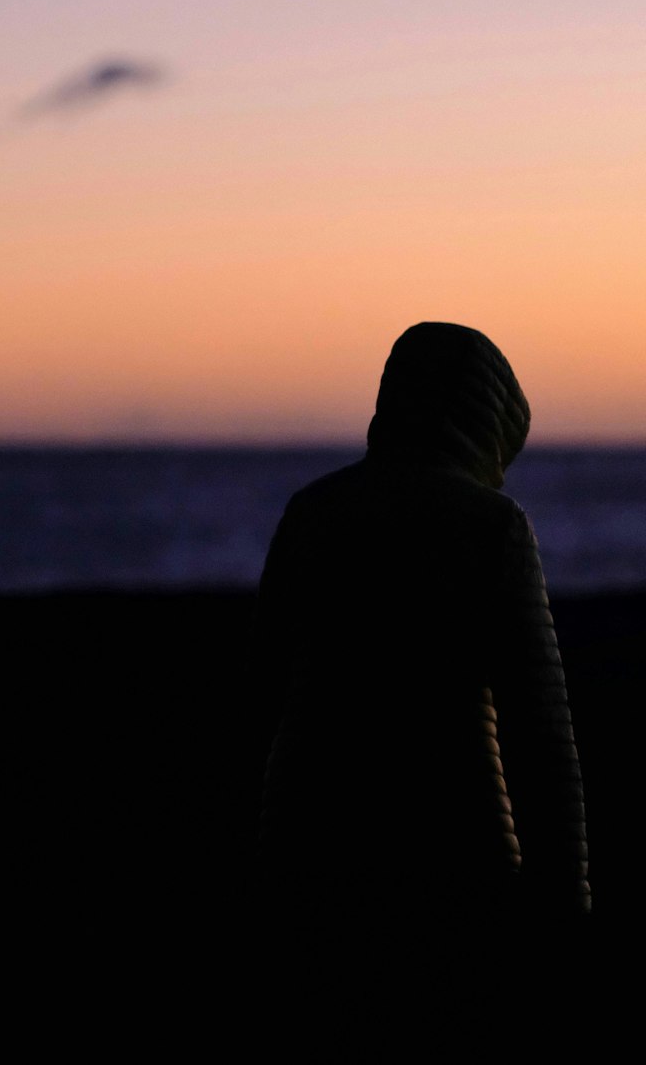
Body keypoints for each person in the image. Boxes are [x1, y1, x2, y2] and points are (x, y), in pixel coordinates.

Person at [246, 322, 590, 1045]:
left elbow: (257, 692)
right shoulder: (491, 527)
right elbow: (540, 735)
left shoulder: (314, 512)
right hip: (457, 850)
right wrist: (565, 909)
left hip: (305, 842)